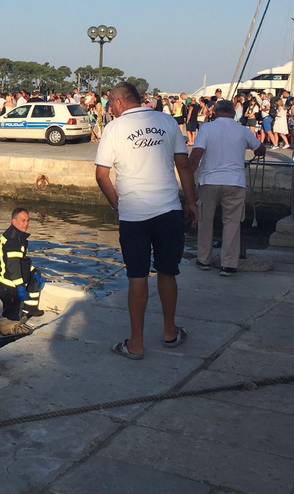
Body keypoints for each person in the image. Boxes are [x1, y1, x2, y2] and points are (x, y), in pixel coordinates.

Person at [95, 82, 198, 360]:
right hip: (168, 210)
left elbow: (102, 175)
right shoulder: (166, 121)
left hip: (133, 214)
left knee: (137, 276)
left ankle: (137, 344)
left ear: (118, 101)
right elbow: (184, 166)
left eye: (110, 103)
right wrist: (191, 202)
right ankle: (169, 331)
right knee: (168, 271)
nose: (110, 108)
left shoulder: (114, 129)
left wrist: (117, 203)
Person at [188, 100, 266, 276]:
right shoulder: (242, 130)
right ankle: (229, 264)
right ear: (233, 112)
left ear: (215, 111)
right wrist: (254, 149)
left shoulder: (207, 129)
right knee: (232, 223)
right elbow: (260, 149)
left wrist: (189, 179)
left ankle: (203, 259)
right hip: (235, 182)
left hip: (209, 181)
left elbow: (196, 155)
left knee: (205, 221)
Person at [0, 208, 44, 321]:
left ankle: (30, 308)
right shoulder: (13, 240)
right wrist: (20, 287)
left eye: (28, 220)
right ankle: (9, 333)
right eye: (23, 220)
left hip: (9, 281)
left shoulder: (17, 235)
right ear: (13, 221)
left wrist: (32, 271)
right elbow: (13, 267)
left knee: (36, 274)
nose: (26, 224)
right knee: (11, 316)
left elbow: (21, 260)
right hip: (8, 286)